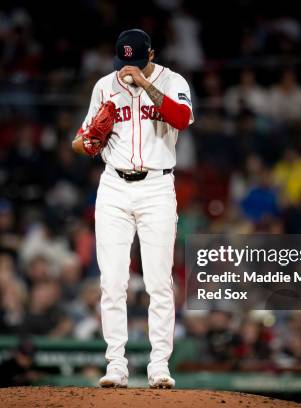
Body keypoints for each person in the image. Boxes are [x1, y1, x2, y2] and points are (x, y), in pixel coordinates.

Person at [71, 29, 194, 388]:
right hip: (113, 186)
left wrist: (144, 82)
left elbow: (182, 119)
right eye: (124, 64)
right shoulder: (104, 86)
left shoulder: (173, 81)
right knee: (112, 282)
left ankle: (159, 366)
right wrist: (90, 137)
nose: (128, 70)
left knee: (159, 281)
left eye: (136, 63)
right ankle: (116, 366)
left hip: (157, 186)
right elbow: (81, 143)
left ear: (151, 56)